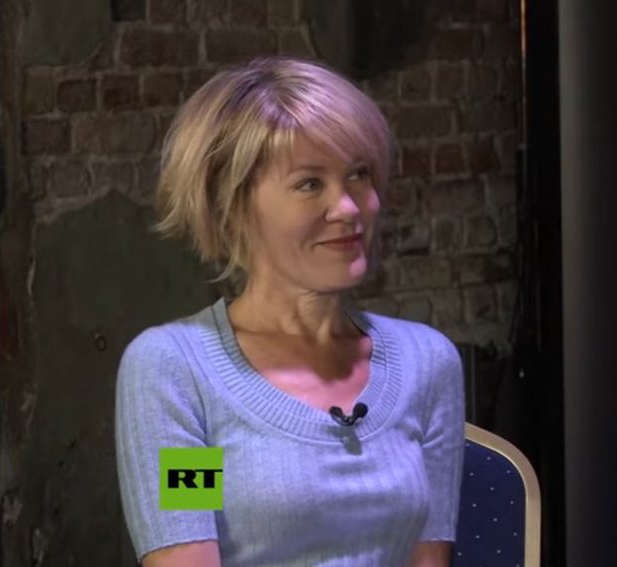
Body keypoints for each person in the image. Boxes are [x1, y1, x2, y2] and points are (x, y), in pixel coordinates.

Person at [114, 56, 465, 567]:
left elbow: (427, 560)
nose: (348, 208)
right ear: (233, 207)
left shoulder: (427, 362)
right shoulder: (178, 373)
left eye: (359, 175)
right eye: (309, 183)